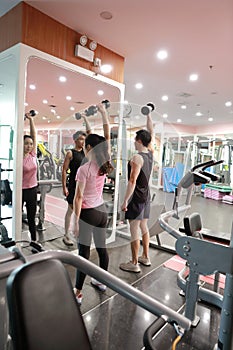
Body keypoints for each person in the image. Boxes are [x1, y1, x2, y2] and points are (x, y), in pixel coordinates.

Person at [72, 103, 113, 304]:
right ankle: (101, 281)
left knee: (83, 254)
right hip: (102, 212)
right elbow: (106, 139)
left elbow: (78, 198)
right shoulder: (105, 163)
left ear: (88, 148)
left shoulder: (84, 169)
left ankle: (78, 292)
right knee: (102, 249)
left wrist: (74, 221)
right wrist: (104, 113)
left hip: (88, 213)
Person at [119, 112, 154, 273]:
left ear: (139, 141)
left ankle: (134, 263)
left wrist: (125, 200)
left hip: (137, 197)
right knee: (143, 226)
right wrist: (149, 116)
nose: (134, 142)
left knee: (134, 228)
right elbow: (151, 132)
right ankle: (145, 257)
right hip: (146, 196)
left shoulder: (137, 157)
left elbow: (132, 181)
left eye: (135, 139)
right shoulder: (150, 153)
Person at [62, 115, 91, 246]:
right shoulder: (70, 153)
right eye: (79, 139)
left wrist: (85, 118)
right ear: (75, 140)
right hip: (74, 185)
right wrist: (64, 187)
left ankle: (77, 233)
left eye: (83, 139)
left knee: (81, 210)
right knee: (72, 210)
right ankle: (67, 234)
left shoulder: (87, 152)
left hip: (84, 185)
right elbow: (64, 170)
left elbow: (90, 133)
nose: (82, 141)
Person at [22, 113, 38, 243]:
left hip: (32, 190)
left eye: (31, 144)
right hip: (20, 190)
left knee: (32, 218)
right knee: (17, 218)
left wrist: (31, 120)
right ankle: (15, 241)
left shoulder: (32, 154)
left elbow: (34, 135)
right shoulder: (18, 158)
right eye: (26, 143)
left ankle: (34, 241)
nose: (29, 146)